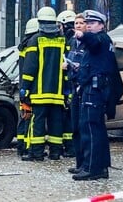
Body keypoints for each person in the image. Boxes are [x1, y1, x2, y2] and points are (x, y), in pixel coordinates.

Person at [72, 10, 123, 181]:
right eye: (87, 23)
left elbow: (93, 41)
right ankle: (98, 166)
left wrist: (82, 35)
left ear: (102, 25)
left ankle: (91, 168)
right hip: (93, 89)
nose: (88, 25)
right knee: (97, 130)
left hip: (94, 91)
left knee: (90, 130)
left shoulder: (100, 38)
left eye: (92, 23)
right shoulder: (101, 41)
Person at [20, 7, 66, 161]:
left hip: (39, 92)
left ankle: (37, 153)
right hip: (58, 92)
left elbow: (30, 68)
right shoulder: (62, 40)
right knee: (56, 123)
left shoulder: (35, 40)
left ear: (39, 21)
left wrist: (24, 88)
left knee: (37, 122)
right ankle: (55, 153)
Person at [64, 13, 87, 173]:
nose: (78, 25)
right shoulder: (73, 42)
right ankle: (79, 164)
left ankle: (86, 164)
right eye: (76, 23)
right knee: (76, 129)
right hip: (74, 87)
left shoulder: (89, 43)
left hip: (84, 89)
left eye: (81, 23)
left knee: (84, 128)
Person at [16, 18, 39, 157]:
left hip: (24, 87)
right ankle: (26, 147)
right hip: (30, 88)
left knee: (24, 118)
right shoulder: (31, 46)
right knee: (29, 119)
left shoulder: (23, 46)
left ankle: (21, 146)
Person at [57, 10, 77, 158]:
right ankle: (69, 148)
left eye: (60, 26)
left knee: (70, 119)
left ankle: (71, 148)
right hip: (68, 87)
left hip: (71, 87)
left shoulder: (72, 40)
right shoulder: (68, 40)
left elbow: (74, 63)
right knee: (67, 118)